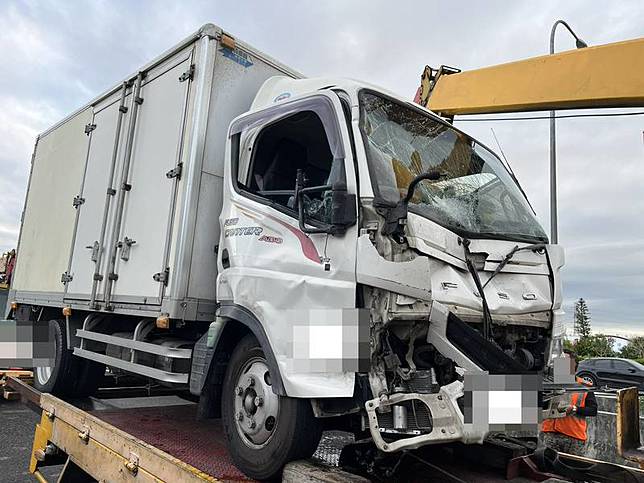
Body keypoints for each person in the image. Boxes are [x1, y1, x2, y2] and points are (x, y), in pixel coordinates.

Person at [541, 349, 597, 455]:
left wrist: (575, 409)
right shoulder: (549, 383)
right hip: (551, 434)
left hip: (574, 438)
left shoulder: (584, 386)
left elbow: (593, 410)